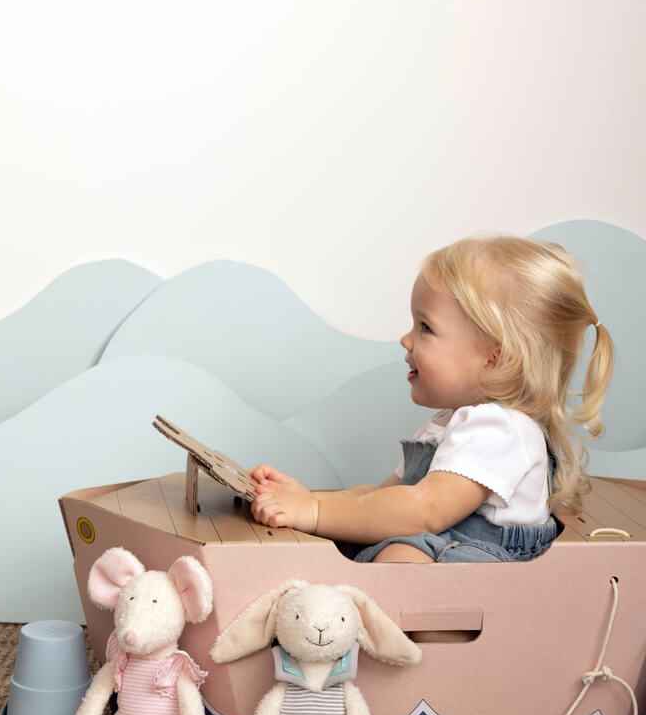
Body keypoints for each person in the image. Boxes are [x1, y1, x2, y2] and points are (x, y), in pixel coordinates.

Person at [249, 235, 614, 568]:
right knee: (370, 536)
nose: (406, 340)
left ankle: (401, 618)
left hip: (485, 560)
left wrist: (313, 511)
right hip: (442, 542)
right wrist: (307, 500)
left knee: (402, 556)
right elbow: (381, 498)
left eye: (426, 327)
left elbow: (424, 511)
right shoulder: (451, 423)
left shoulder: (501, 429)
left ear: (495, 357)